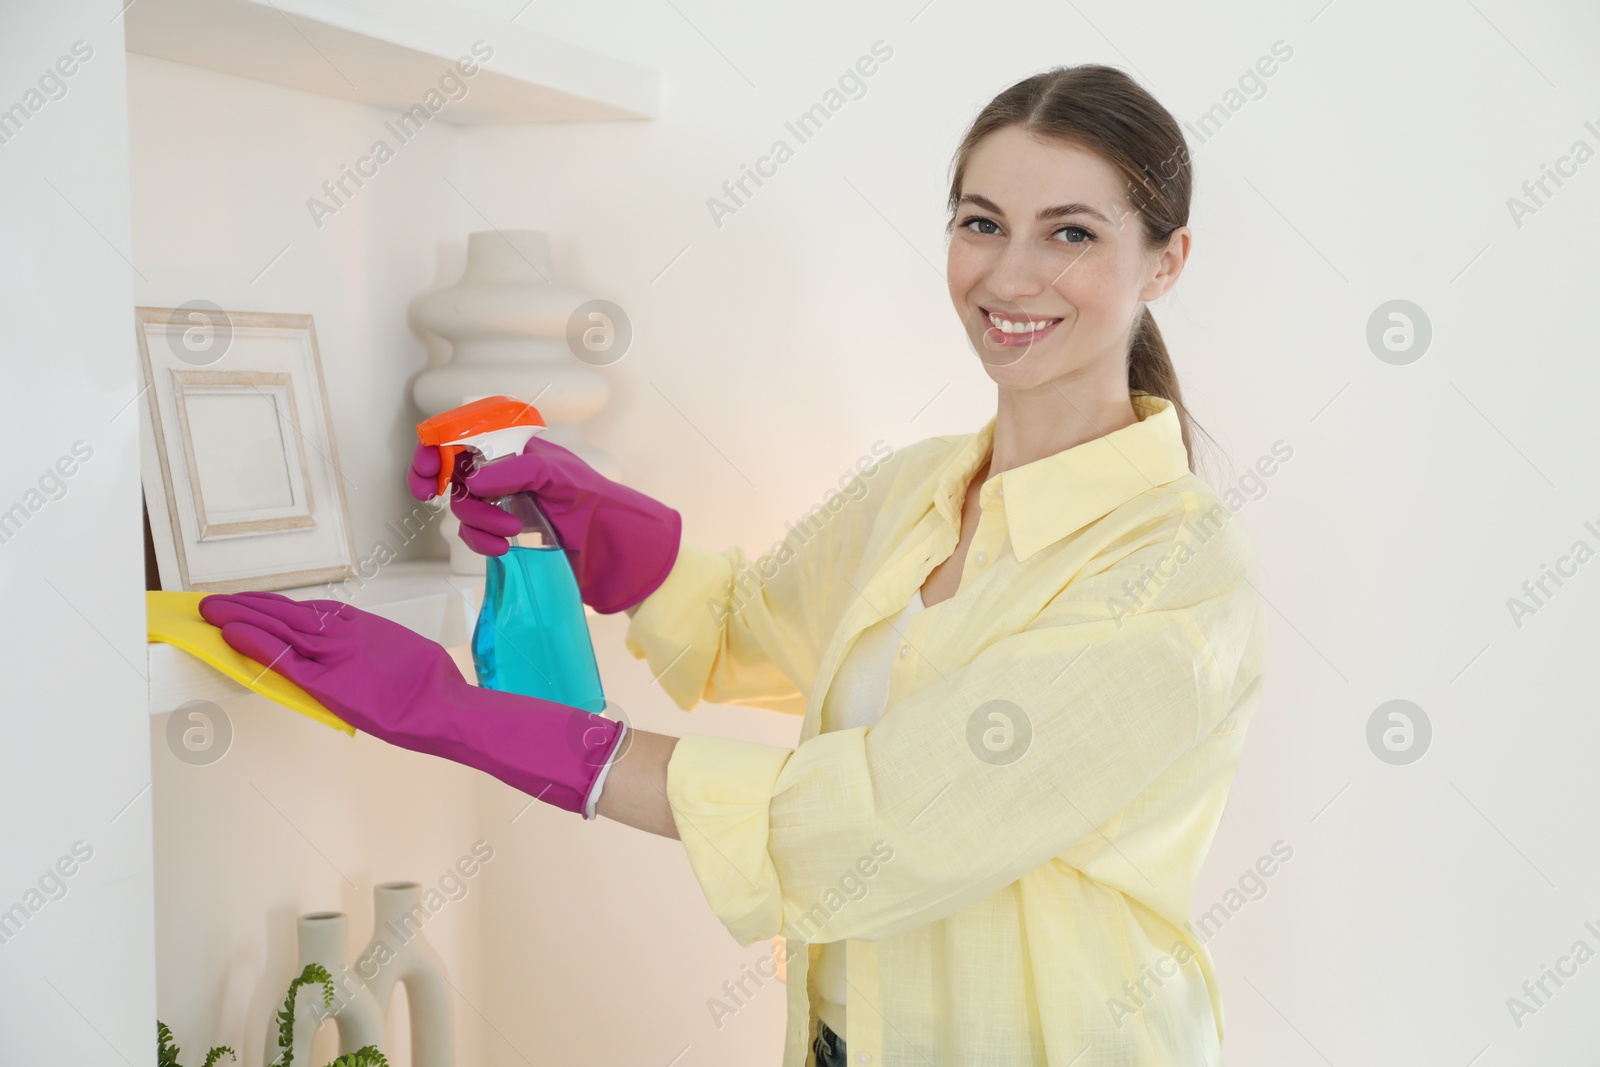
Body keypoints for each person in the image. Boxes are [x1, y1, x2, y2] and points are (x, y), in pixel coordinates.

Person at [201, 63, 1266, 1067]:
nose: (1009, 274)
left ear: (1165, 261)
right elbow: (744, 628)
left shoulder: (1173, 570)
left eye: (1069, 233)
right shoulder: (920, 488)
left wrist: (462, 716)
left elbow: (876, 824)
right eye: (979, 223)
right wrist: (590, 515)